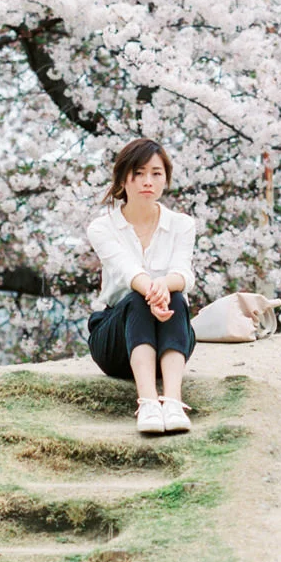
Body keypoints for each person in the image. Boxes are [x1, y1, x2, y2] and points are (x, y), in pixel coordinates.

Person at [85, 138, 197, 435]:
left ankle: (172, 401)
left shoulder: (182, 224)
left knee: (174, 295)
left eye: (156, 173)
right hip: (116, 339)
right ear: (123, 179)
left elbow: (184, 273)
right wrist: (152, 292)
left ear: (166, 179)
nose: (148, 181)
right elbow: (126, 270)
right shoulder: (102, 227)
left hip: (169, 338)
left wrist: (162, 286)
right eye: (138, 173)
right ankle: (147, 402)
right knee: (138, 297)